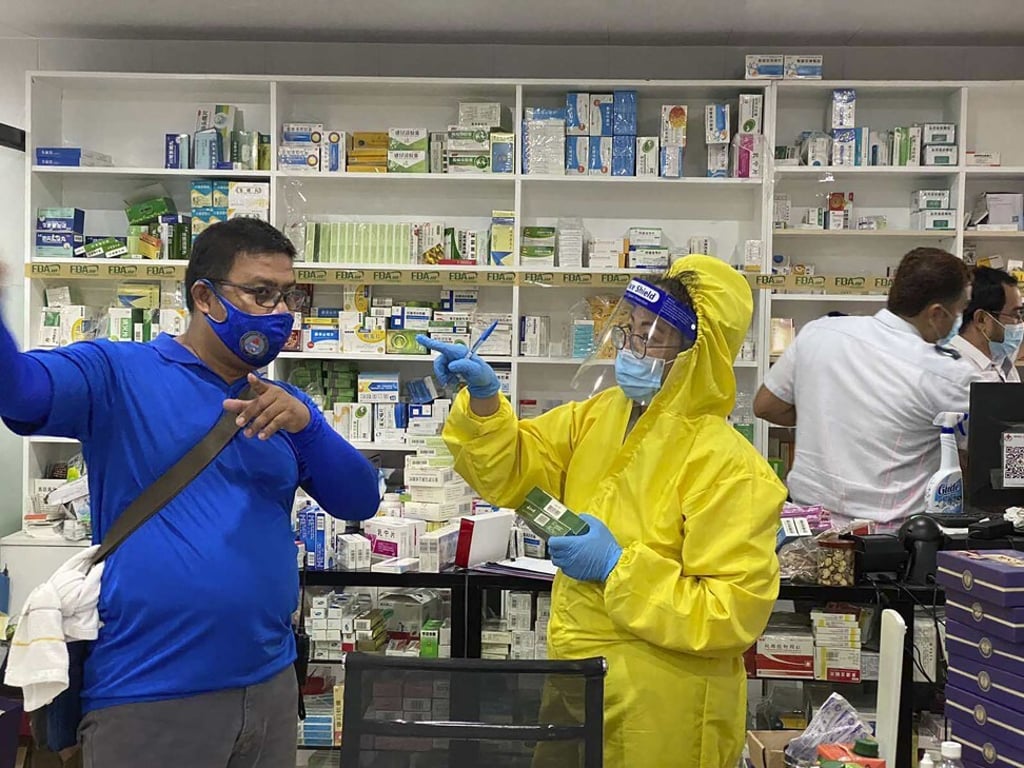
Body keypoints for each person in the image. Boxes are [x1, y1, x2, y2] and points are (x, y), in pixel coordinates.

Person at [0, 219, 381, 767]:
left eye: (287, 295)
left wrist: (309, 427)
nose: (279, 312)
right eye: (260, 292)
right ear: (204, 297)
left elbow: (359, 500)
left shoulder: (282, 403)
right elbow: (19, 390)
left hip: (270, 687)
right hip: (152, 694)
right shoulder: (117, 373)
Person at [418, 255, 786, 768]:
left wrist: (619, 567)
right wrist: (484, 400)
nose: (633, 350)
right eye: (630, 332)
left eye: (651, 337)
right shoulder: (599, 415)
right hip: (577, 673)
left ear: (698, 351)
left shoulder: (729, 466)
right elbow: (512, 474)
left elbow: (728, 615)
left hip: (663, 701)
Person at [753, 247, 983, 526]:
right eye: (959, 311)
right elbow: (990, 453)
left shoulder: (821, 332)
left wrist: (831, 417)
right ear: (936, 314)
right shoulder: (947, 374)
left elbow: (766, 405)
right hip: (889, 545)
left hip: (806, 529)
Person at [950, 266, 1023, 383]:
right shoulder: (957, 373)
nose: (1020, 323)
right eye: (1015, 315)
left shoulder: (1001, 361)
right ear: (982, 320)